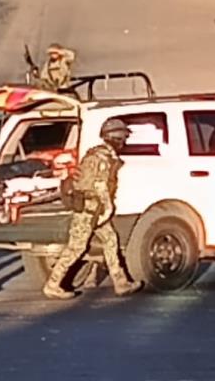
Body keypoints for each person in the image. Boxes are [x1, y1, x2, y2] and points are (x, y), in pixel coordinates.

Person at [42, 118, 144, 299]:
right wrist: (107, 208)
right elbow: (100, 185)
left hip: (93, 208)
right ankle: (52, 284)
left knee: (110, 241)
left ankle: (121, 283)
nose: (125, 142)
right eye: (123, 137)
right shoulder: (103, 158)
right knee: (76, 248)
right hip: (91, 208)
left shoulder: (99, 154)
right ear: (116, 137)